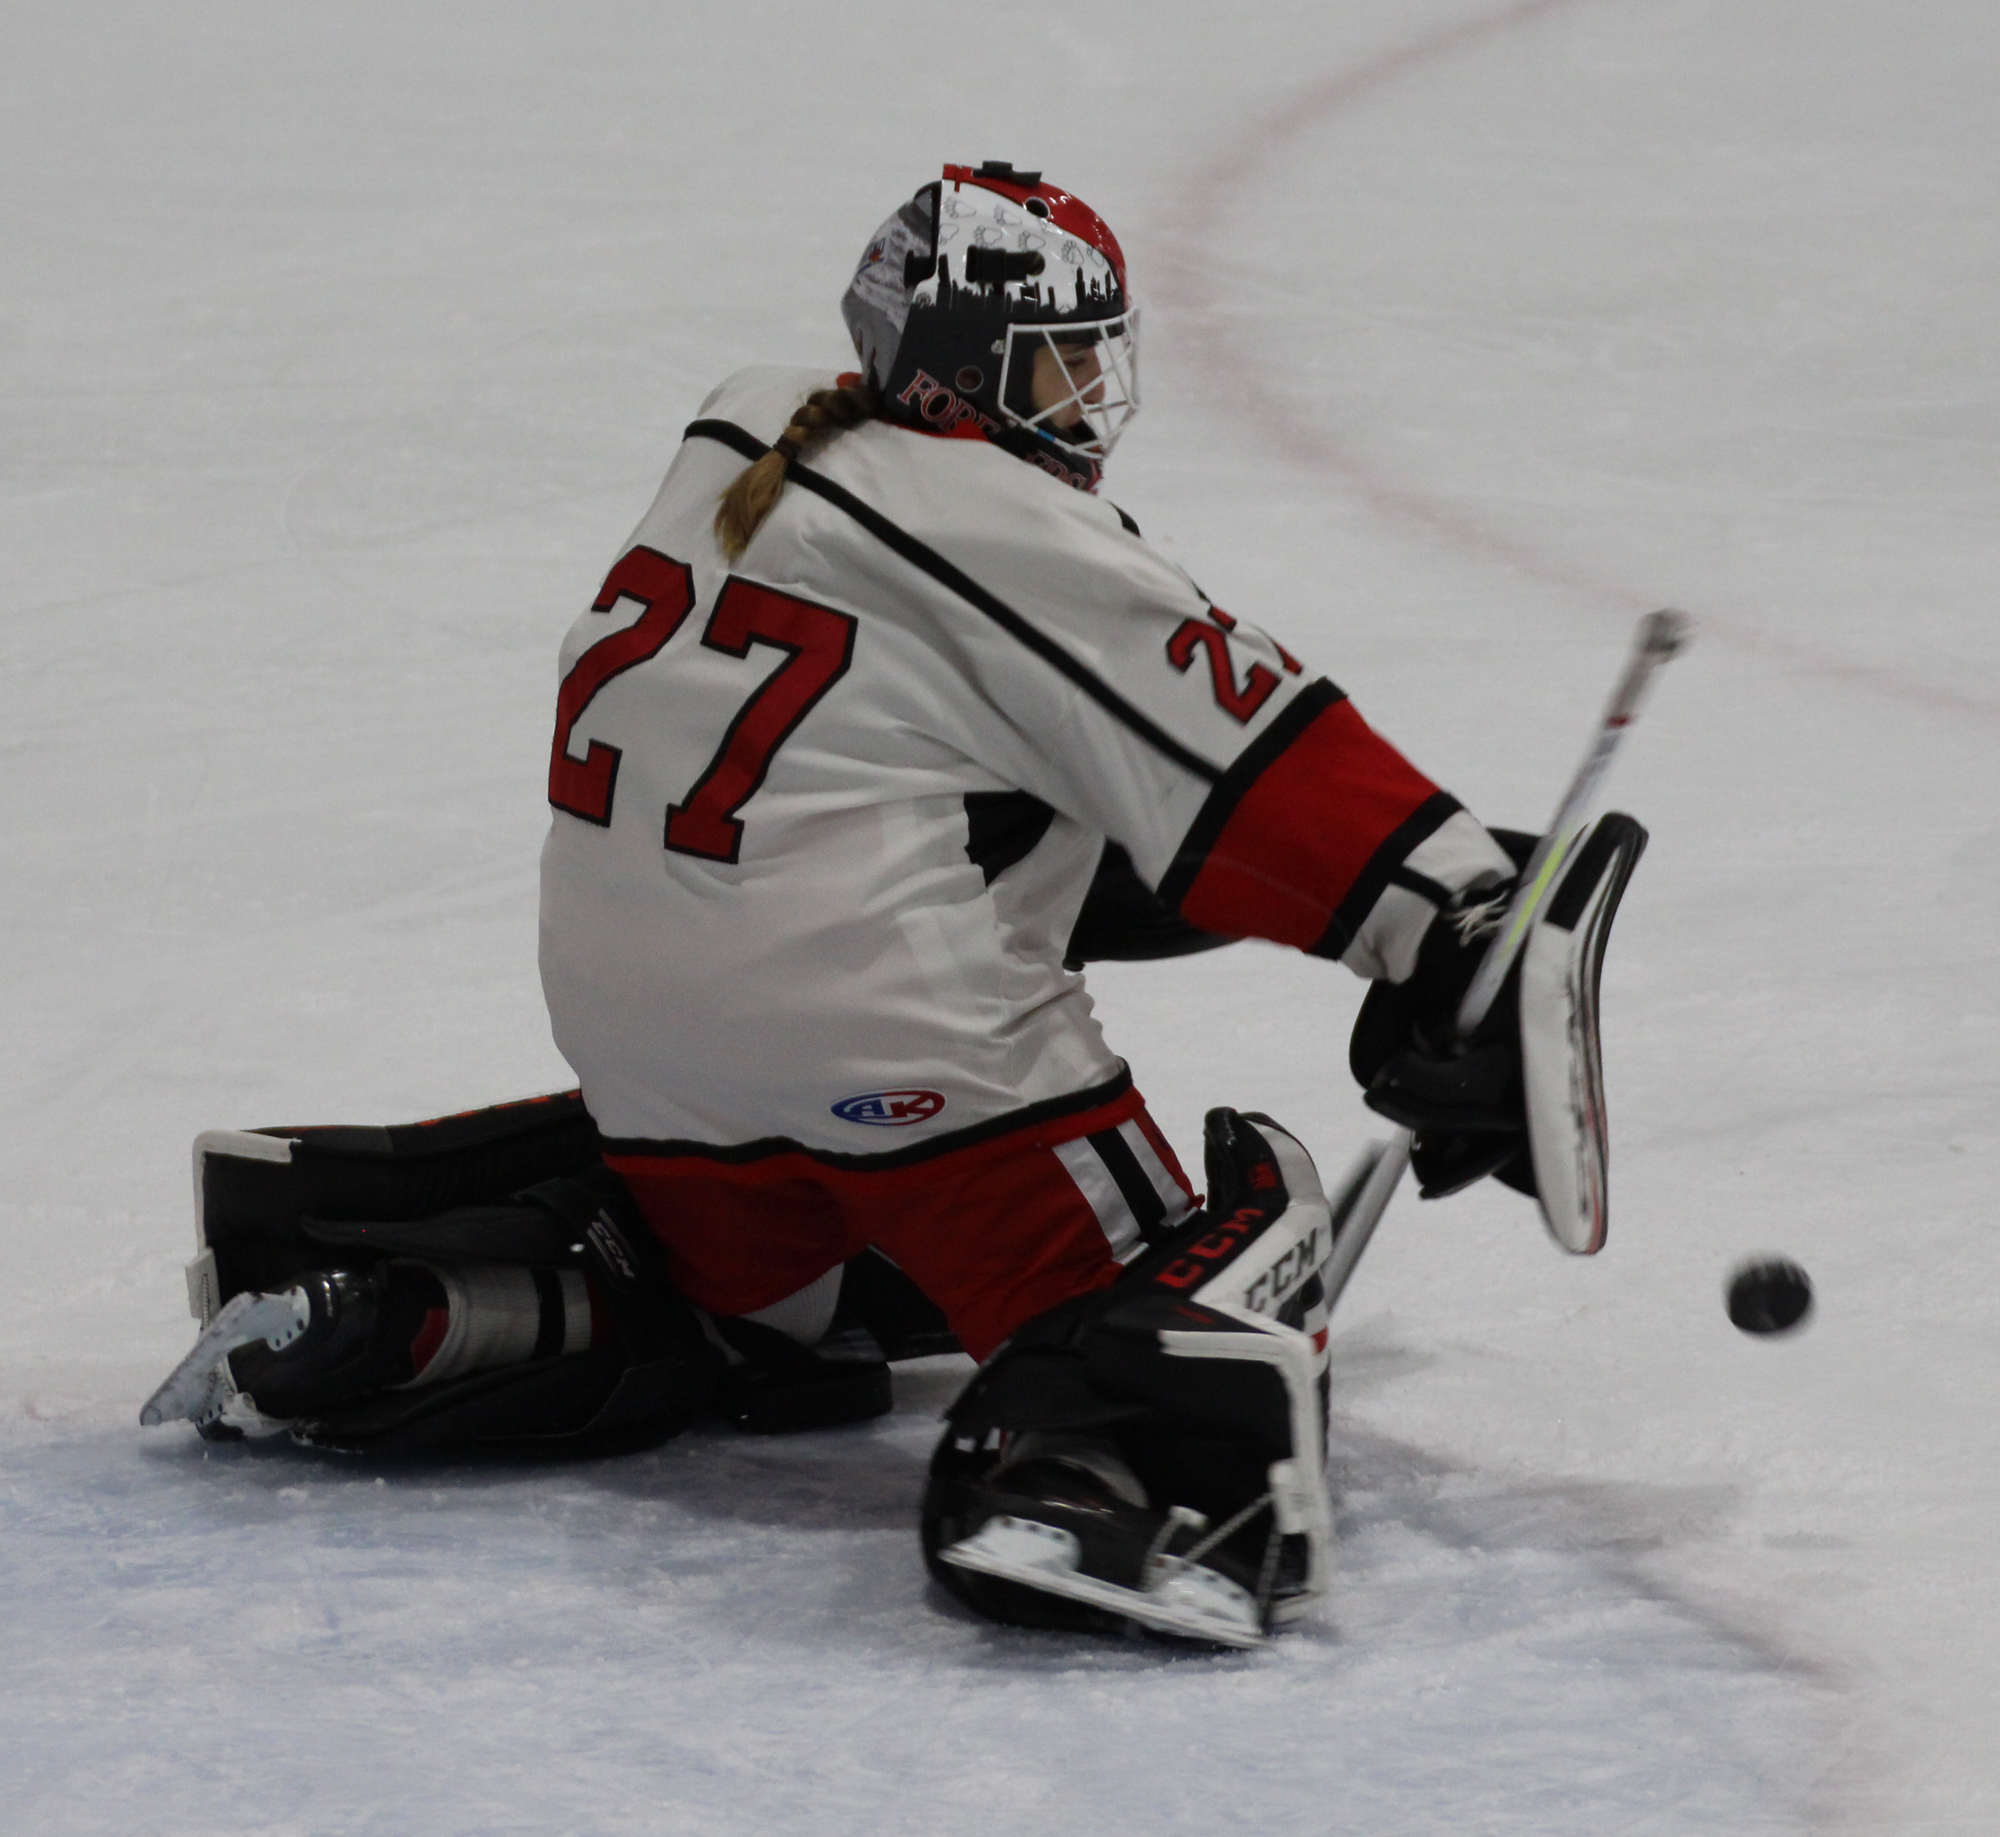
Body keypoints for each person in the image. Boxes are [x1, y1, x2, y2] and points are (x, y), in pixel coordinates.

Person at [143, 162, 1644, 1648]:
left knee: (751, 1307)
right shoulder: (996, 518)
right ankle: (1081, 1471)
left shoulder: (742, 435)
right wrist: (1448, 911)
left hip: (657, 1071)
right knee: (1208, 1262)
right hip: (902, 1057)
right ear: (956, 376)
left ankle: (415, 1310)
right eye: (1052, 367)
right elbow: (1235, 745)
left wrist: (1333, 917)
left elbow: (1033, 833)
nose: (1080, 409)